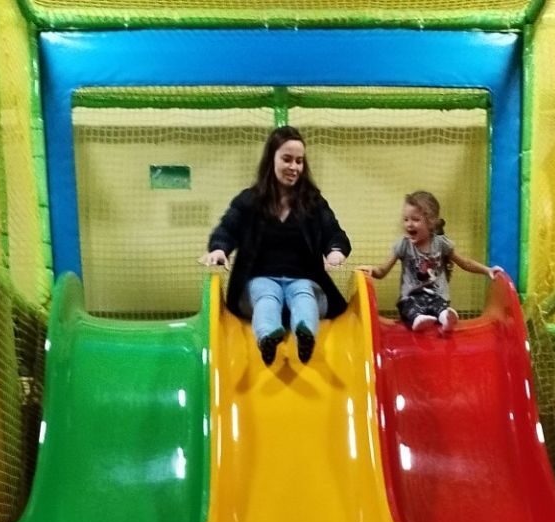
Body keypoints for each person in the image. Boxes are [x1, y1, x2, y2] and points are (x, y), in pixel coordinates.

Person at [201, 126, 351, 367]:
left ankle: (306, 335)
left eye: (299, 161)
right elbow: (227, 228)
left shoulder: (313, 202)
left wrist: (335, 250)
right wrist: (219, 248)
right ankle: (267, 338)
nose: (294, 167)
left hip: (302, 278)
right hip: (260, 278)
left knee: (304, 295)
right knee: (266, 296)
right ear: (271, 159)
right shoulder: (249, 201)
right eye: (287, 159)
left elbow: (333, 232)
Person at [368, 191, 503, 333]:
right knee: (408, 307)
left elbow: (465, 262)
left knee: (440, 306)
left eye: (415, 219)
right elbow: (382, 271)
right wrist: (371, 270)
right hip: (411, 298)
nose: (409, 224)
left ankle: (445, 317)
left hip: (437, 297)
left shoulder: (440, 244)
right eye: (406, 219)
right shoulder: (404, 244)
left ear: (431, 221)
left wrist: (487, 270)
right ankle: (418, 319)